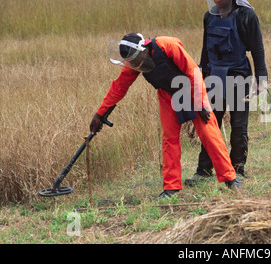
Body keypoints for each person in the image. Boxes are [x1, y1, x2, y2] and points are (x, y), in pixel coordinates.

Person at [90, 33, 242, 200]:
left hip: (191, 88)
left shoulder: (167, 46)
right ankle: (171, 187)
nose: (136, 65)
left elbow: (193, 72)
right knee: (170, 138)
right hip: (168, 95)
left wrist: (200, 104)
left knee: (208, 132)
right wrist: (100, 113)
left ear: (144, 49)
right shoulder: (134, 61)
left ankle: (230, 179)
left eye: (136, 59)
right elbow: (119, 87)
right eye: (132, 63)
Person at [185, 0, 268, 186]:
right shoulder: (209, 16)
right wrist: (200, 77)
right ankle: (204, 170)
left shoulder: (246, 15)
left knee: (239, 124)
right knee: (210, 123)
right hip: (213, 75)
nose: (217, 0)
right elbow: (205, 49)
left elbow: (257, 49)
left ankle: (238, 169)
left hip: (238, 74)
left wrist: (261, 79)